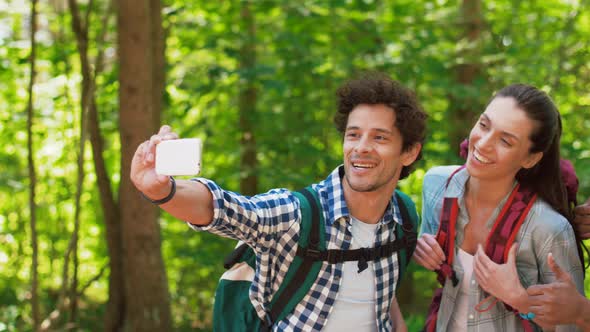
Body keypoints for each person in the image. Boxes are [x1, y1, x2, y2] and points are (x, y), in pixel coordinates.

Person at [130, 73, 428, 331]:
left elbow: (382, 298)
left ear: (409, 152)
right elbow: (223, 208)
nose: (361, 148)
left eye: (379, 138)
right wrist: (162, 190)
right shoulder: (295, 215)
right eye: (353, 135)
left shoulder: (402, 216)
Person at [413, 84, 585, 331]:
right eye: (483, 125)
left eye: (505, 140)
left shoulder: (548, 229)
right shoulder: (437, 185)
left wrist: (519, 298)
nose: (483, 144)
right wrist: (424, 246)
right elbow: (429, 242)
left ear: (530, 158)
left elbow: (573, 327)